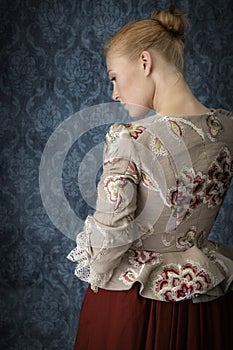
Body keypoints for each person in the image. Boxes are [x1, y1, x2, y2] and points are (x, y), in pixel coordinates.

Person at [67, 6, 233, 350]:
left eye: (114, 76)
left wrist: (95, 261)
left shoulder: (130, 138)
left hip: (134, 304)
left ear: (145, 62)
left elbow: (105, 246)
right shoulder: (227, 129)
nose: (113, 92)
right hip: (204, 302)